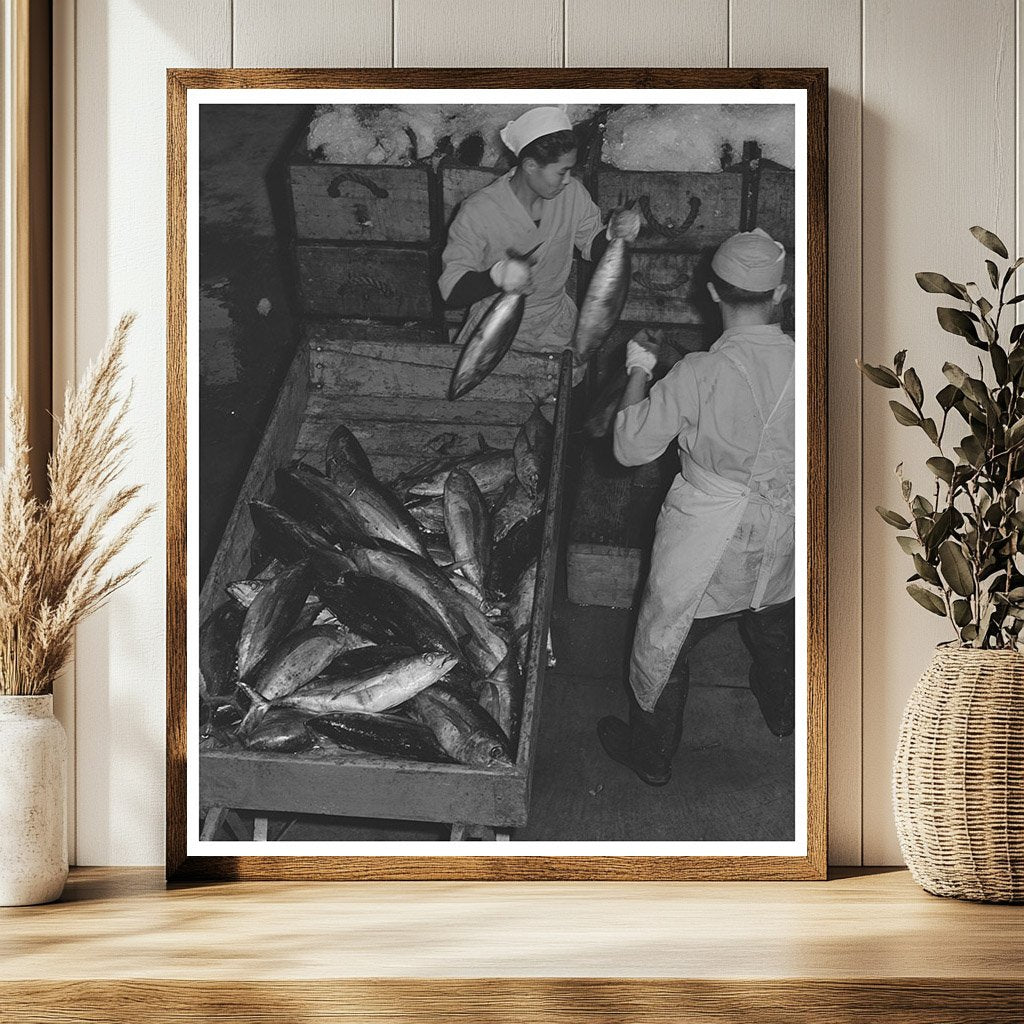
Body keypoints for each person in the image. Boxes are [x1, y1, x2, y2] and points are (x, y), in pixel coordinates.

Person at [597, 228, 797, 787]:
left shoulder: (698, 374)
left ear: (713, 293)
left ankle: (652, 754)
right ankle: (783, 715)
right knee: (775, 624)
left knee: (665, 641)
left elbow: (630, 446)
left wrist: (639, 369)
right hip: (784, 529)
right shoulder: (813, 366)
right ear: (779, 294)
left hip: (707, 533)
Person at [438, 105, 640, 361]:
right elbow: (451, 290)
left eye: (571, 170)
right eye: (561, 172)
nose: (568, 179)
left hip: (554, 331)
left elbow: (592, 245)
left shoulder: (572, 195)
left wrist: (614, 235)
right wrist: (495, 276)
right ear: (530, 165)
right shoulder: (478, 210)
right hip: (492, 332)